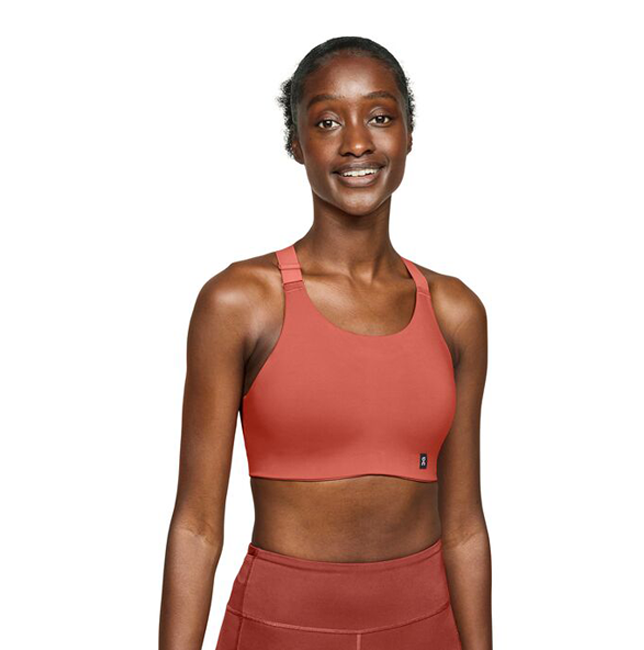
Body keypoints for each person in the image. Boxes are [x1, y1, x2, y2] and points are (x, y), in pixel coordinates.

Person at [159, 36, 492, 650]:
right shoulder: (241, 302)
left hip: (426, 628)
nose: (357, 142)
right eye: (328, 121)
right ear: (296, 144)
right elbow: (197, 525)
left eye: (380, 117)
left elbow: (465, 526)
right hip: (278, 629)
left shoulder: (455, 312)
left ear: (409, 134)